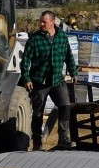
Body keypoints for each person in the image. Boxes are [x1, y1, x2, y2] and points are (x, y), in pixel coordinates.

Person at [20, 10, 78, 151]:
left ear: (52, 22)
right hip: (40, 82)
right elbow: (25, 60)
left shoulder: (62, 37)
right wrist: (27, 78)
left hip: (57, 80)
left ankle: (64, 137)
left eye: (44, 22)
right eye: (41, 21)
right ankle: (38, 142)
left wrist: (73, 72)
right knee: (38, 113)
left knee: (65, 105)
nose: (41, 24)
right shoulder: (35, 39)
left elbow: (68, 56)